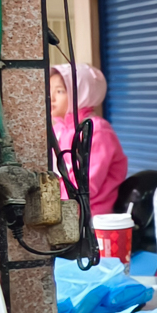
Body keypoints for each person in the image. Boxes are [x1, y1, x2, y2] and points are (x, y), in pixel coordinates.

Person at [50, 63, 128, 217]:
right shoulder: (58, 130)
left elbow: (85, 185)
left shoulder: (96, 130)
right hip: (65, 214)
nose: (50, 97)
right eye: (49, 89)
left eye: (60, 91)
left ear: (81, 94)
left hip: (91, 221)